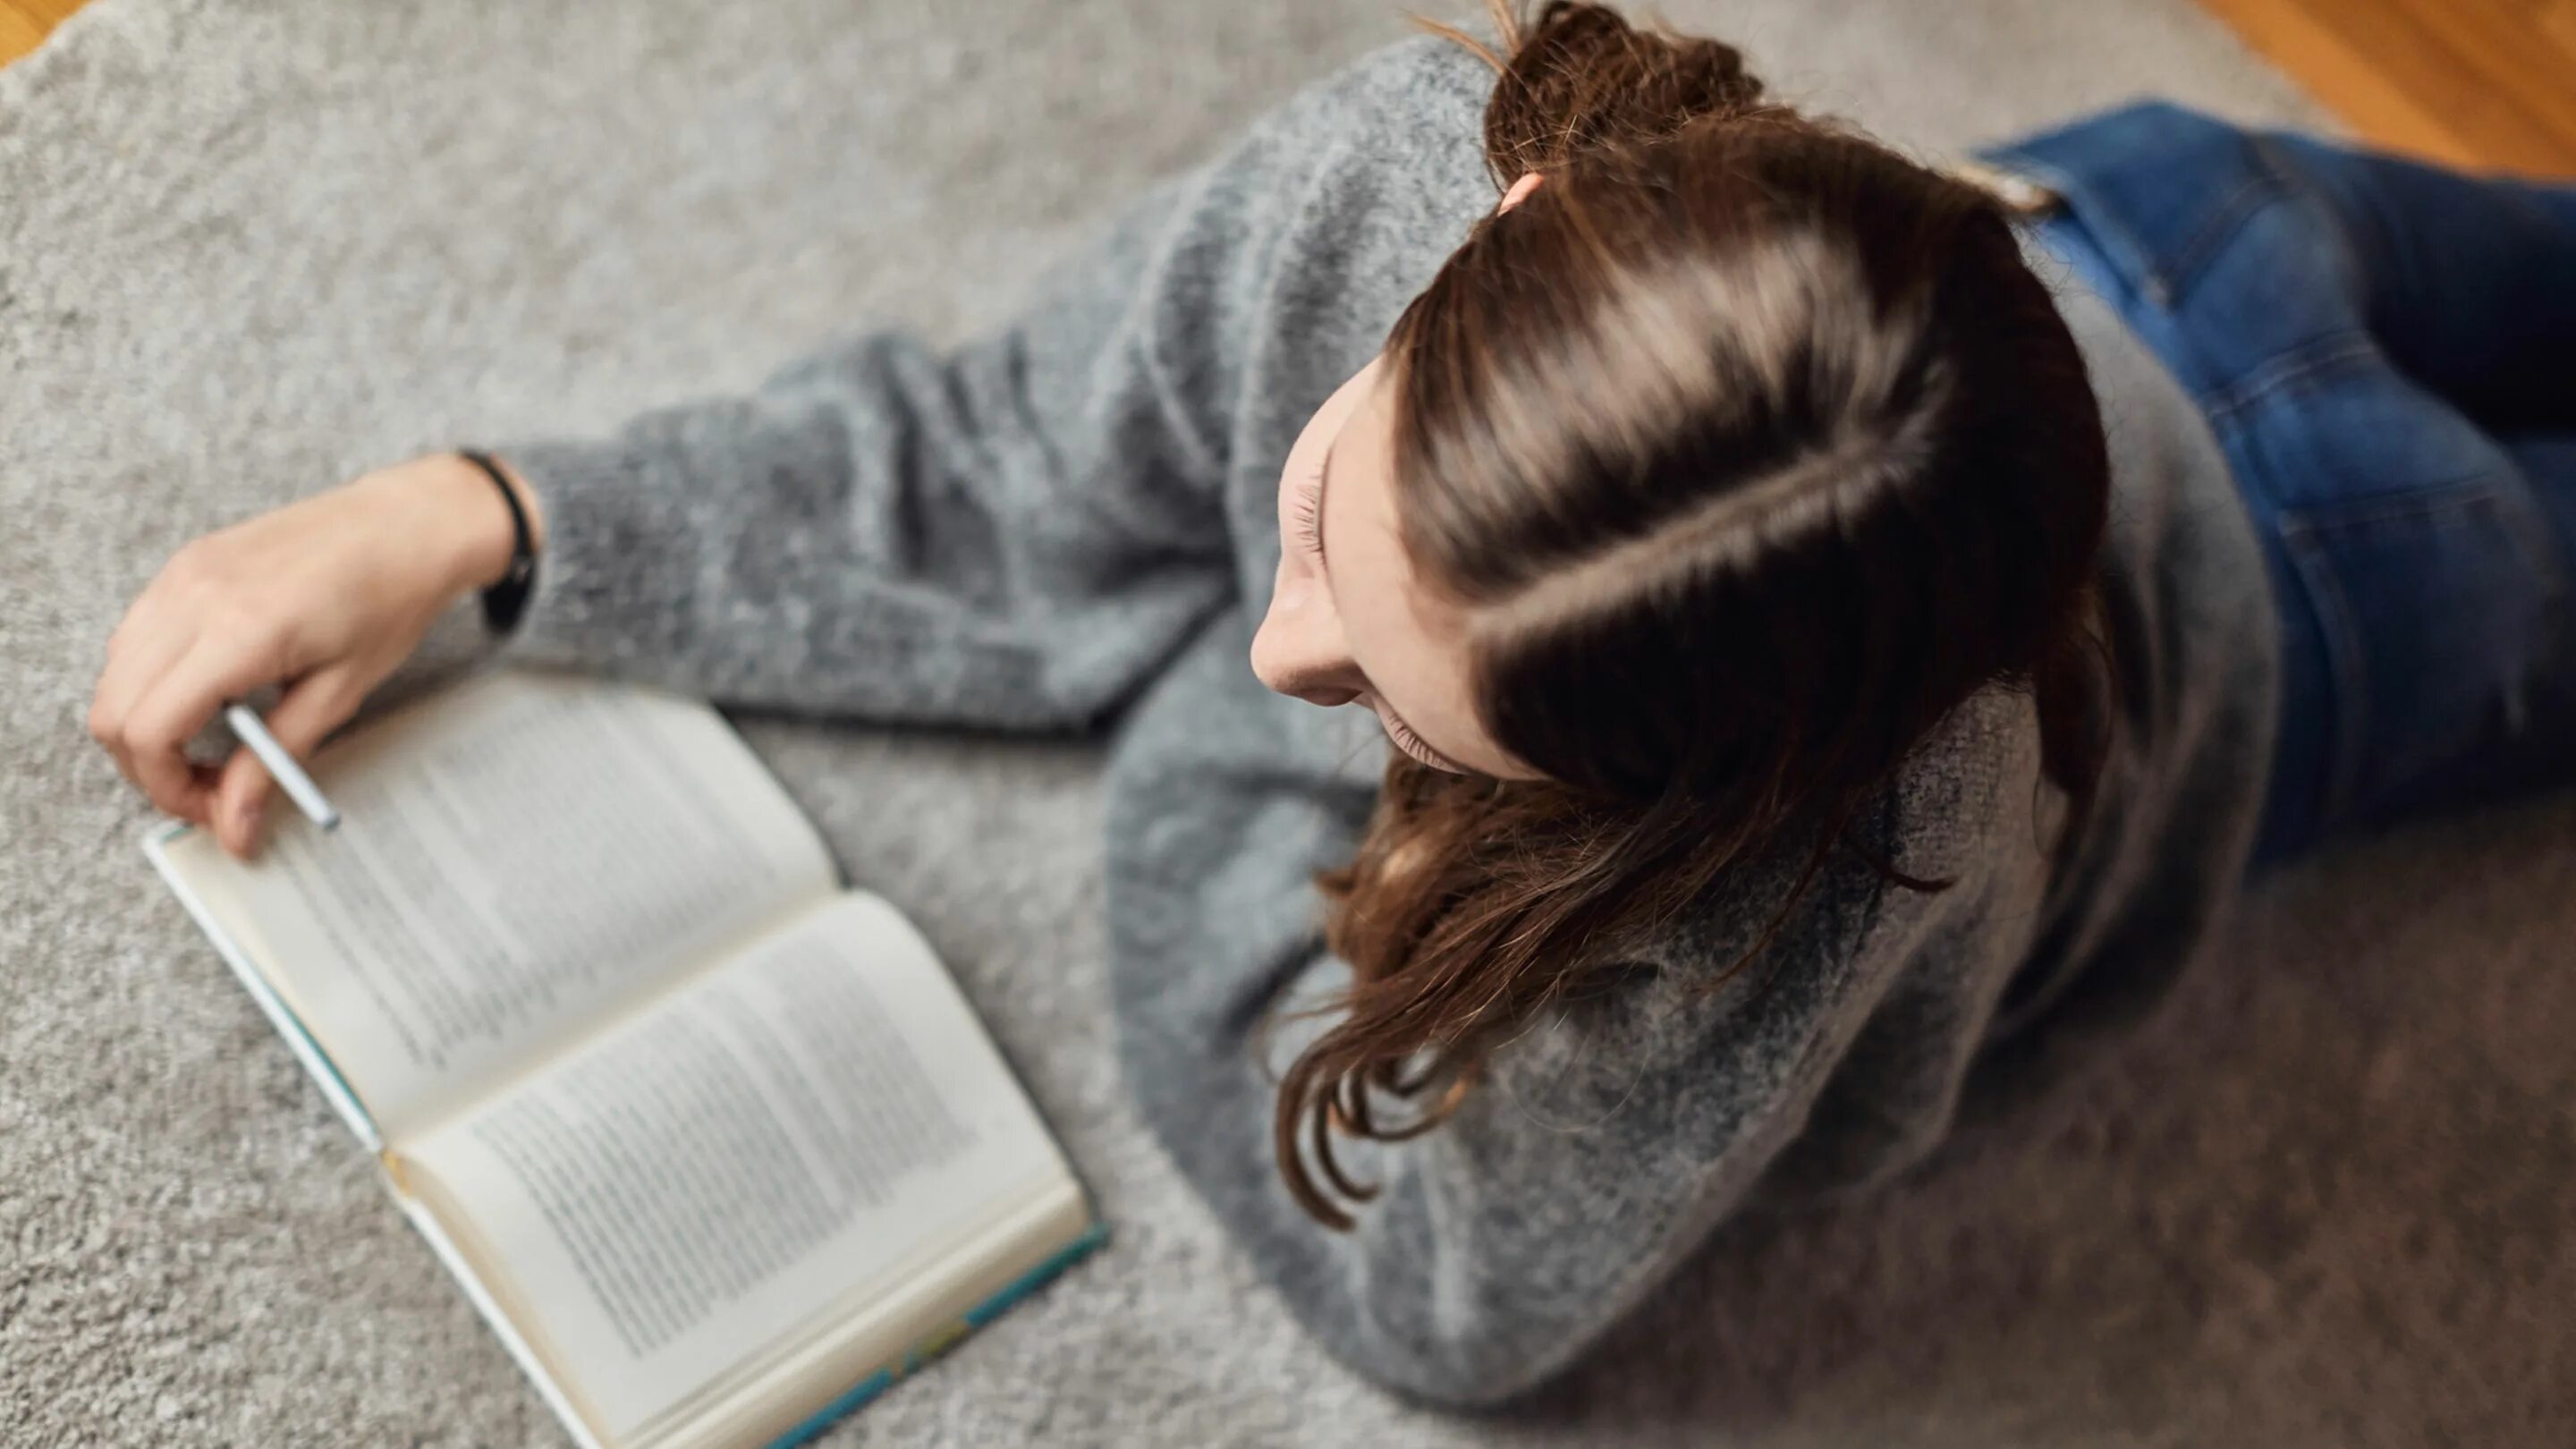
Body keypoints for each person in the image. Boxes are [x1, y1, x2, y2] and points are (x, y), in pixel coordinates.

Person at [86, 1, 2573, 1406]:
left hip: (2364, 599)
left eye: (1396, 699)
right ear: (1508, 229)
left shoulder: (1803, 874)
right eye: (1314, 537)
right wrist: (482, 510)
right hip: (2154, 206)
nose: (1272, 658)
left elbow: (1448, 1306)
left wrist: (1183, 755)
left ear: (1688, 789)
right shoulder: (1395, 166)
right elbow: (1002, 462)